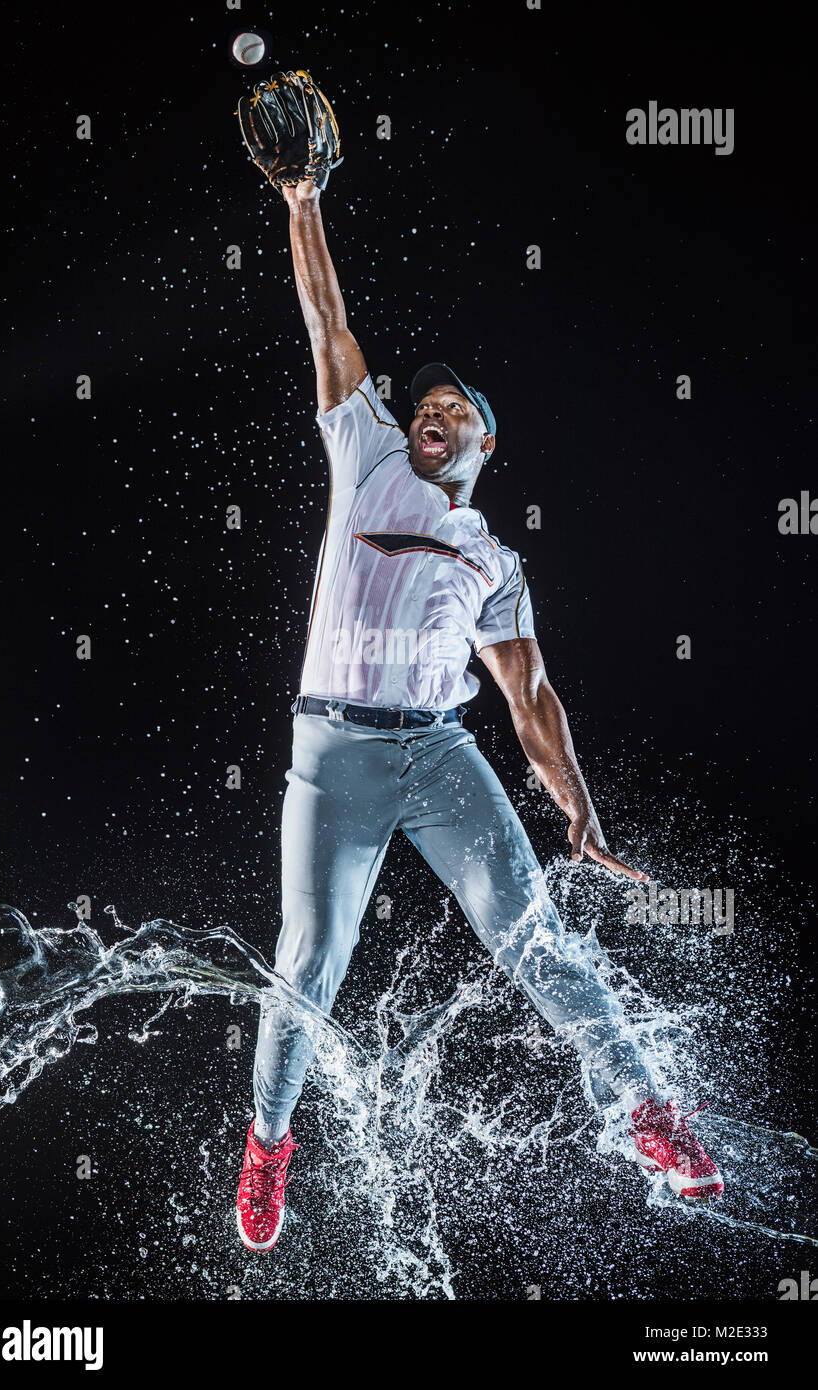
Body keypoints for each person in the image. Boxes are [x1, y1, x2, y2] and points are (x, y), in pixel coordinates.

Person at [235, 174, 723, 1253]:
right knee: (308, 961)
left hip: (441, 753)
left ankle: (650, 1112)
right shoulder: (362, 456)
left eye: (452, 413)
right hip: (334, 754)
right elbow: (326, 318)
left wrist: (578, 813)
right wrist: (303, 199)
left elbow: (531, 696)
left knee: (534, 936)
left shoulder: (495, 563)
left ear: (482, 446)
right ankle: (268, 1144)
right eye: (421, 408)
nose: (430, 416)